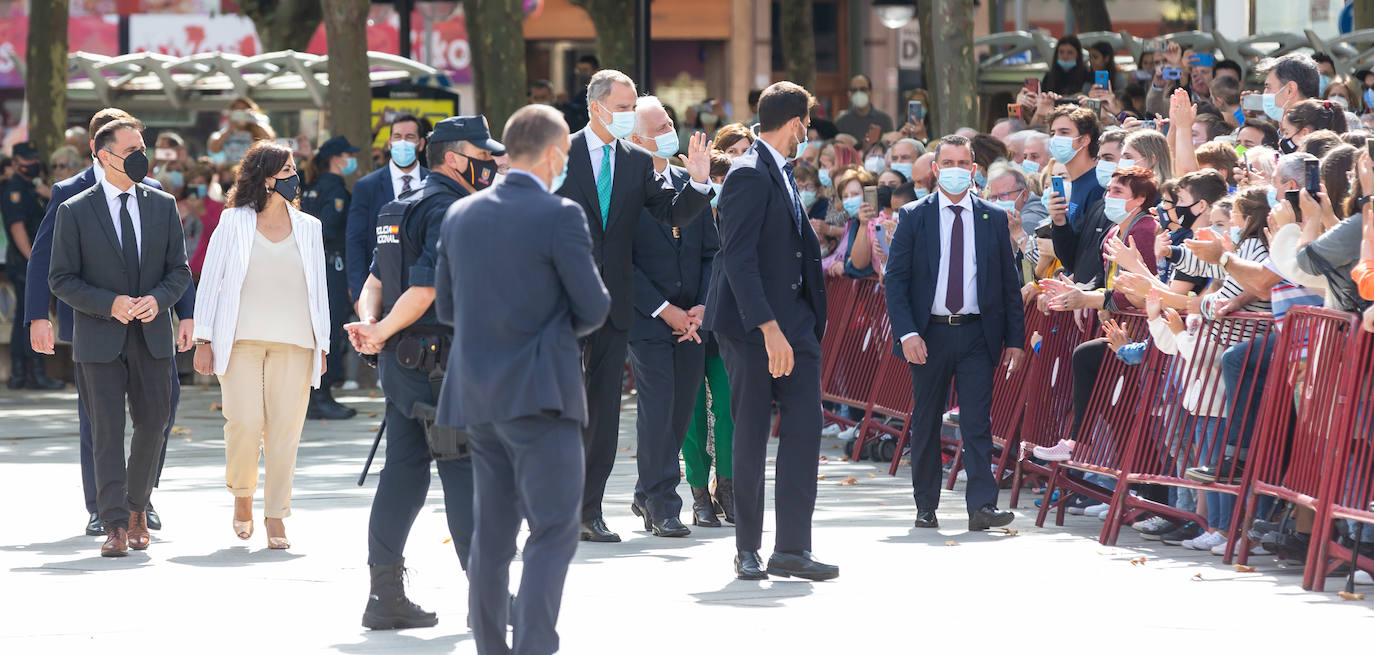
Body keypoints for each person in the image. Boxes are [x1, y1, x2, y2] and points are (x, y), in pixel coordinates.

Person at [434, 103, 610, 655]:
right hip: (541, 394)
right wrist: (555, 329)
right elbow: (594, 306)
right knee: (554, 527)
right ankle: (534, 644)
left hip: (479, 394)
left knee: (493, 534)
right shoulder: (560, 214)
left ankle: (492, 645)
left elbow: (446, 307)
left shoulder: (460, 214)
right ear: (556, 152)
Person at [347, 116, 502, 630]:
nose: (491, 165)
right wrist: (381, 327)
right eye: (483, 156)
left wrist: (373, 326)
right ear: (456, 159)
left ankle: (384, 597)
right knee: (464, 476)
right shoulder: (451, 208)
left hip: (405, 363)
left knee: (405, 474)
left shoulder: (400, 204)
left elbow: (375, 277)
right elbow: (427, 288)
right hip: (442, 363)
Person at [556, 68, 712, 543]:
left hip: (614, 306)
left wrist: (700, 185)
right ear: (596, 108)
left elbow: (671, 213)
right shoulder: (560, 153)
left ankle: (589, 511)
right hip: (560, 304)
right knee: (557, 409)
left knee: (603, 413)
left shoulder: (636, 163)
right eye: (622, 109)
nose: (626, 116)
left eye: (631, 109)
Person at [27, 108, 192, 537]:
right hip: (97, 332)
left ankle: (138, 502)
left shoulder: (160, 201)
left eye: (143, 147)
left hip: (152, 333)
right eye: (132, 149)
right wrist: (39, 316)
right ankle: (112, 517)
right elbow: (54, 271)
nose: (143, 156)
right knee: (103, 428)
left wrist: (170, 305)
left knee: (155, 421)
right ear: (102, 155)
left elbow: (179, 268)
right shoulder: (72, 202)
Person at [703, 80, 839, 581]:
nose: (808, 132)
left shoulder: (779, 170)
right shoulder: (747, 173)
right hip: (751, 329)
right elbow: (736, 257)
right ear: (796, 123)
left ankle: (793, 550)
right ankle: (747, 549)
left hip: (796, 328)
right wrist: (769, 328)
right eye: (806, 122)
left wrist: (795, 326)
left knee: (804, 433)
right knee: (752, 435)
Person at [883, 134, 1025, 532]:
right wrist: (907, 333)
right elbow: (895, 282)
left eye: (964, 163)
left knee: (977, 421)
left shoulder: (993, 218)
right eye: (949, 162)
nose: (957, 170)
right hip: (929, 334)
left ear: (974, 170)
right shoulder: (914, 215)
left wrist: (1015, 339)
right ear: (936, 168)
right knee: (926, 420)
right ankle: (925, 505)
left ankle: (982, 505)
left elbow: (1008, 284)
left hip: (978, 333)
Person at [192, 141, 329, 550]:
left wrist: (322, 344)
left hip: (296, 342)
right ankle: (242, 496)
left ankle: (276, 516)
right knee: (245, 424)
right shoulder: (232, 221)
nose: (293, 177)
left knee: (286, 432)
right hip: (240, 340)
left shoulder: (309, 227)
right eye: (285, 170)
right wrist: (203, 337)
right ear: (264, 178)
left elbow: (318, 290)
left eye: (293, 169)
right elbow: (211, 280)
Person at [622, 96, 720, 537]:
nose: (669, 133)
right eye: (657, 129)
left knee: (681, 410)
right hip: (648, 318)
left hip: (692, 321)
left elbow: (711, 252)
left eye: (668, 124)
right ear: (635, 139)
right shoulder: (626, 187)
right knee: (658, 409)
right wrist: (666, 311)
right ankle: (664, 503)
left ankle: (646, 493)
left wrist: (700, 305)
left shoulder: (690, 182)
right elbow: (622, 261)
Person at [684, 152, 737, 528]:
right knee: (691, 417)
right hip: (687, 321)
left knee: (730, 410)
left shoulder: (743, 213)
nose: (719, 186)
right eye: (713, 178)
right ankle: (699, 493)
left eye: (725, 179)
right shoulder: (686, 207)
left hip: (730, 327)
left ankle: (728, 488)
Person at [300, 135, 362, 420]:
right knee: (330, 329)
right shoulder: (335, 191)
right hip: (330, 266)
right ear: (338, 158)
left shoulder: (309, 186)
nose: (351, 160)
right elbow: (326, 229)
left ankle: (316, 395)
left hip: (314, 265)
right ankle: (321, 395)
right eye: (349, 155)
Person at [345, 114, 431, 310]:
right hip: (380, 292)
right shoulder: (367, 187)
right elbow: (355, 241)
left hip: (425, 290)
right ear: (389, 143)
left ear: (421, 143)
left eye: (409, 137)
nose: (402, 142)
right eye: (397, 136)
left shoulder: (433, 182)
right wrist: (360, 296)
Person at [2, 141, 62, 390]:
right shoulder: (13, 188)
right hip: (24, 262)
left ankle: (25, 374)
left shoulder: (33, 187)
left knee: (27, 317)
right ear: (15, 163)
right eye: (26, 161)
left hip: (34, 261)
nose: (32, 164)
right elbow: (17, 228)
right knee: (28, 318)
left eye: (34, 159)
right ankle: (29, 373)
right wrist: (32, 262)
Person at [207, 96, 274, 164]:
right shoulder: (225, 132)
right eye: (237, 110)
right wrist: (230, 128)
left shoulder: (257, 129)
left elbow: (269, 141)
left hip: (252, 168)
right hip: (232, 170)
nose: (240, 113)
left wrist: (254, 121)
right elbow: (214, 149)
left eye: (243, 110)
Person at [835, 74, 894, 142]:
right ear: (850, 94)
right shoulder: (842, 122)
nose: (858, 93)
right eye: (854, 90)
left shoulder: (884, 120)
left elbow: (890, 146)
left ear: (870, 92)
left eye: (863, 89)